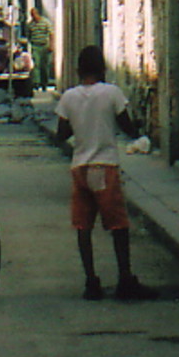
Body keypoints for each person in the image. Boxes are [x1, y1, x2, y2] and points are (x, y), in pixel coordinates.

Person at [55, 46, 158, 301]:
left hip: (80, 167)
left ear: (79, 70)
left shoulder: (69, 97)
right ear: (102, 68)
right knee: (118, 225)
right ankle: (125, 279)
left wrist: (81, 122)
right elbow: (126, 126)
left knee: (83, 225)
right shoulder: (112, 93)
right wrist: (140, 136)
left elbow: (62, 133)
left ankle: (91, 281)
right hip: (105, 166)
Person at [26, 7, 54, 90]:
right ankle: (36, 83)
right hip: (35, 46)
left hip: (45, 46)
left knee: (44, 66)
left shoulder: (45, 22)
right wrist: (32, 43)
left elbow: (51, 34)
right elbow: (28, 35)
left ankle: (44, 83)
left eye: (34, 14)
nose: (33, 16)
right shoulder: (30, 24)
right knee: (36, 65)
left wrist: (51, 45)